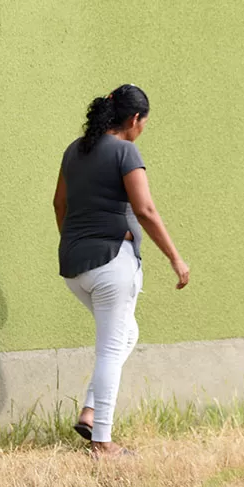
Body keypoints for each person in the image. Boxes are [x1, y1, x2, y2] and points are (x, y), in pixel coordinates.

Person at [54, 84, 190, 458]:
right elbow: (145, 211)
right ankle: (102, 442)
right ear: (134, 119)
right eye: (144, 123)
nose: (142, 129)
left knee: (126, 333)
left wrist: (77, 239)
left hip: (74, 267)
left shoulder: (74, 150)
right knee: (112, 348)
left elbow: (59, 204)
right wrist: (175, 258)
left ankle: (90, 410)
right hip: (112, 262)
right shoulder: (125, 151)